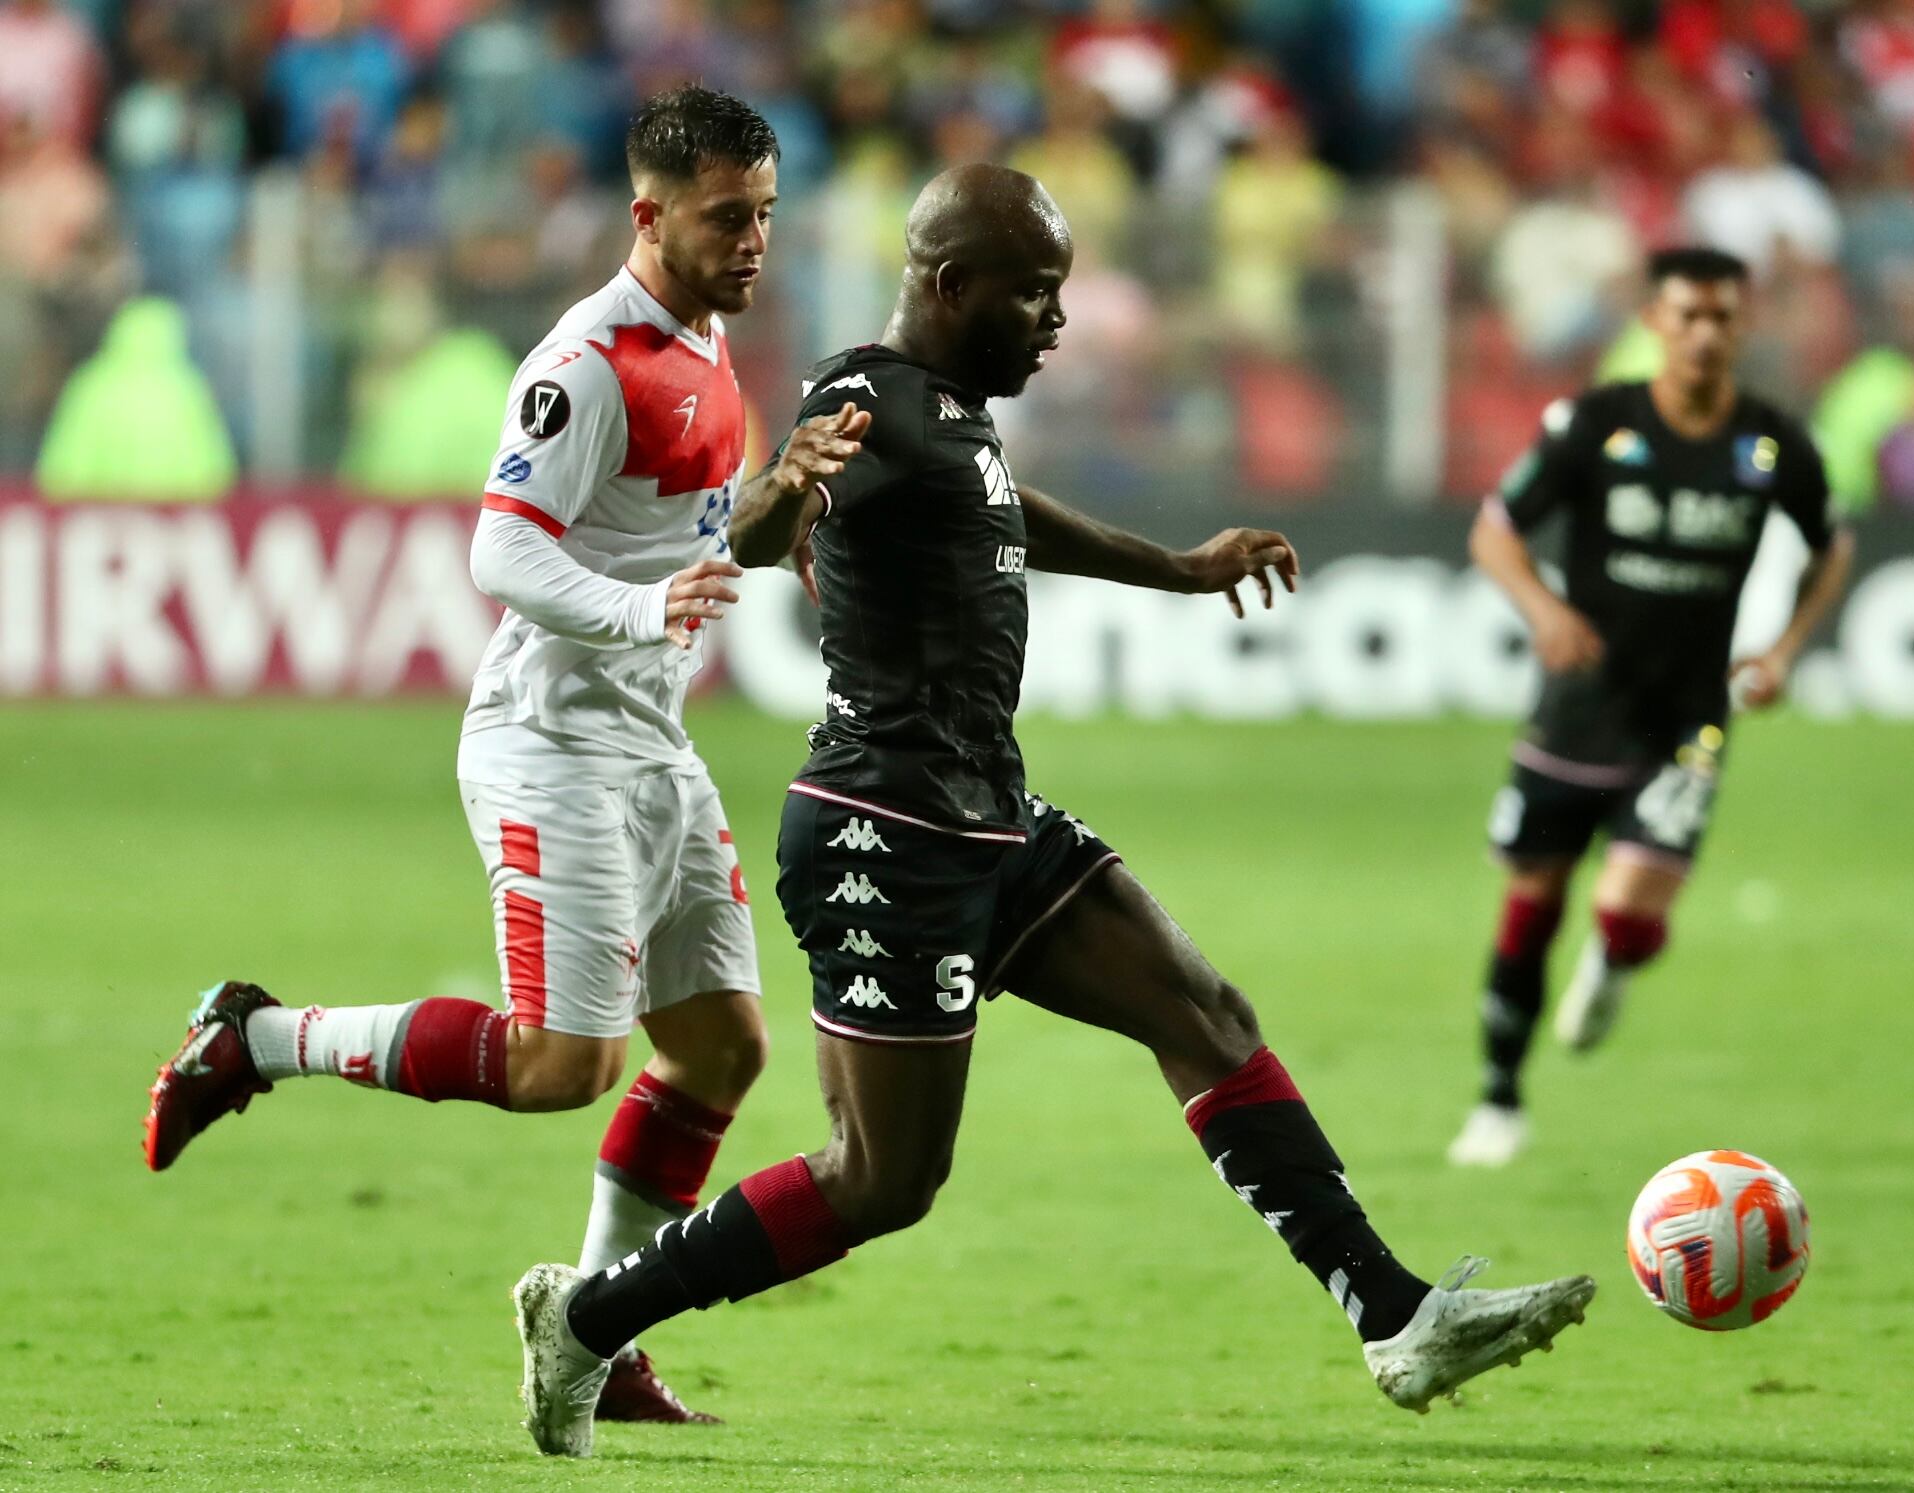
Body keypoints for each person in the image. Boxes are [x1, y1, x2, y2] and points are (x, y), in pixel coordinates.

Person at [509, 164, 1596, 1459]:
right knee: (883, 1180)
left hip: (987, 813)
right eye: (1034, 294)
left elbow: (1004, 516)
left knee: (1205, 1014)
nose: (1057, 322)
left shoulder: (951, 420)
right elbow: (752, 532)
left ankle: (1395, 1316)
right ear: (950, 284)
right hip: (886, 834)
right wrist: (782, 490)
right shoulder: (863, 394)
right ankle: (589, 1319)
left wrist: (1181, 571)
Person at [142, 86, 783, 1424]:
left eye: (766, 214)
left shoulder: (711, 339)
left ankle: (598, 1336)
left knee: (720, 1049)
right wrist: (635, 610)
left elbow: (693, 541)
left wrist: (788, 503)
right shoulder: (585, 361)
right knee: (567, 1066)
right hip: (549, 740)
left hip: (648, 739)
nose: (754, 240)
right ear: (648, 213)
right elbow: (501, 546)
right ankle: (253, 1039)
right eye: (730, 217)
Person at [1446, 246, 1855, 1169]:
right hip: (1576, 710)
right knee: (1533, 899)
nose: (1705, 334)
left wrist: (1786, 647)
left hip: (1687, 718)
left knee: (1629, 911)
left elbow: (1833, 544)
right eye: (1688, 316)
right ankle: (1499, 1098)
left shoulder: (1772, 443)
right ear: (1656, 323)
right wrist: (1545, 610)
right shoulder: (1599, 424)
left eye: (1723, 317)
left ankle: (1617, 958)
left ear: (1742, 326)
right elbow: (1496, 529)